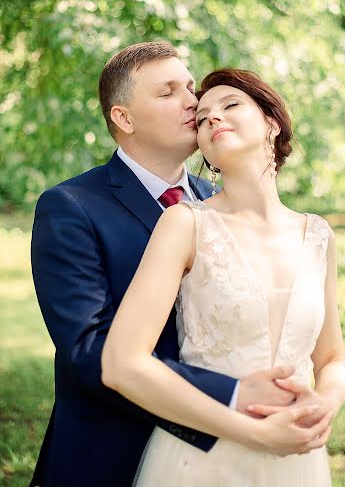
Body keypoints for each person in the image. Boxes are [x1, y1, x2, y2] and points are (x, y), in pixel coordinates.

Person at [31, 42, 312, 487]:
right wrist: (234, 395)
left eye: (189, 87)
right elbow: (88, 351)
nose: (192, 101)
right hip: (113, 453)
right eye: (167, 93)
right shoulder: (70, 207)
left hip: (234, 454)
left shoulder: (220, 202)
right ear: (123, 118)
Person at [102, 67, 345, 486]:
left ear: (272, 122)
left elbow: (332, 359)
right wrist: (255, 433)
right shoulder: (184, 225)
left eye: (231, 105)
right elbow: (121, 365)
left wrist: (324, 403)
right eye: (201, 119)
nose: (212, 117)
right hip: (203, 460)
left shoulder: (318, 235)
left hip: (298, 459)